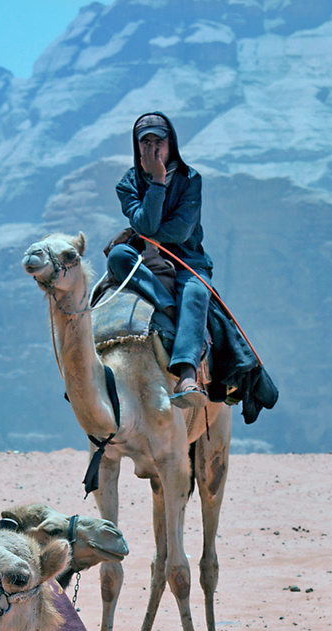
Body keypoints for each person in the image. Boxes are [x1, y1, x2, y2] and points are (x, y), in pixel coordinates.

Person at [107, 112, 212, 409]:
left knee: (196, 291)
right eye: (146, 142)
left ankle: (187, 373)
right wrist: (156, 183)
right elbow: (146, 225)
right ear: (136, 146)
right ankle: (168, 305)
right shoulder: (127, 183)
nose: (153, 149)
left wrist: (158, 182)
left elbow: (178, 232)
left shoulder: (191, 179)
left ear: (171, 144)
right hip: (142, 256)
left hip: (187, 259)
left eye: (159, 141)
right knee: (118, 256)